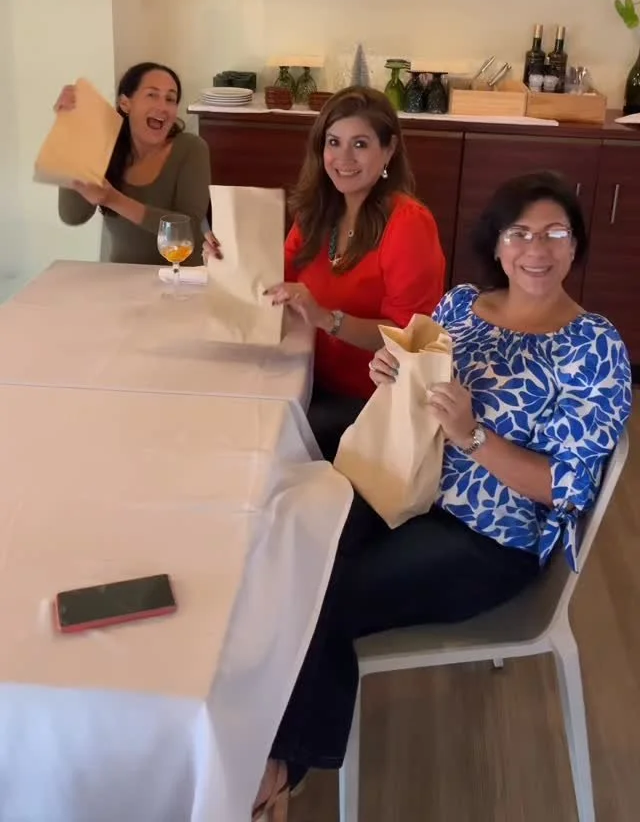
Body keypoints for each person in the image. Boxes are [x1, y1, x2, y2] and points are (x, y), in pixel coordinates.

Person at [251, 171, 632, 818]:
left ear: (575, 246)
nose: (536, 249)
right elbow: (416, 382)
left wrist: (472, 436)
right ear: (498, 244)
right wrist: (393, 375)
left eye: (555, 233)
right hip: (405, 485)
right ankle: (250, 723)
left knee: (324, 595)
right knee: (284, 550)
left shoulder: (595, 348)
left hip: (490, 538)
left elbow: (563, 488)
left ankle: (279, 770)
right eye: (520, 233)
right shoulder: (462, 306)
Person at [205, 86, 446, 461]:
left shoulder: (408, 224)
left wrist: (325, 318)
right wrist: (230, 258)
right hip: (305, 376)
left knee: (255, 448)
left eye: (360, 144)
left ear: (389, 150)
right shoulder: (318, 211)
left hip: (372, 400)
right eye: (334, 142)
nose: (343, 158)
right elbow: (273, 280)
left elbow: (411, 337)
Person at [57, 62, 211, 265]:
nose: (163, 107)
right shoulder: (104, 148)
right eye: (152, 95)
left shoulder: (191, 148)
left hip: (183, 276)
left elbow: (187, 229)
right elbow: (72, 216)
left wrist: (113, 199)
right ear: (125, 104)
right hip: (122, 277)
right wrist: (71, 134)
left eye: (170, 99)